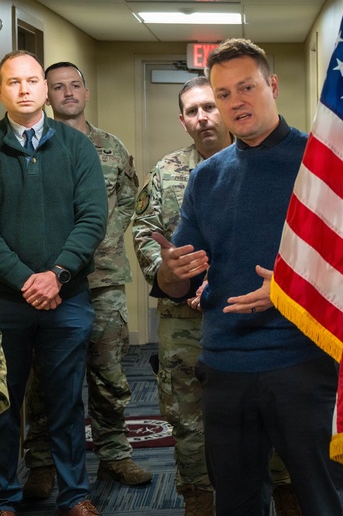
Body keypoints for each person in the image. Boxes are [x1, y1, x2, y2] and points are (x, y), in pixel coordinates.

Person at [152, 39, 343, 516]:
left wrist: (286, 290)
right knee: (237, 502)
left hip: (302, 362)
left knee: (322, 501)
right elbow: (178, 282)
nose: (236, 102)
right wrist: (171, 272)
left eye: (247, 87)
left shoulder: (322, 163)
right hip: (225, 366)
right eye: (223, 94)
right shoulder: (206, 177)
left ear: (272, 86)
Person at [131, 76, 299, 516]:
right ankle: (198, 499)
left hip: (251, 319)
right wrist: (171, 273)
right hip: (184, 324)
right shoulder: (167, 172)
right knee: (187, 419)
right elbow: (146, 233)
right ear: (183, 121)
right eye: (193, 111)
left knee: (271, 418)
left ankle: (286, 492)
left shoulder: (269, 162)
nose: (203, 117)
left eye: (210, 106)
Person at [20, 62, 150, 500]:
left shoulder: (110, 146)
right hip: (50, 283)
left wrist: (104, 238)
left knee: (108, 373)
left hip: (104, 279)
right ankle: (41, 463)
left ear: (86, 92)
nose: (68, 93)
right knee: (46, 378)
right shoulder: (36, 147)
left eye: (75, 85)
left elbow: (129, 198)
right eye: (58, 87)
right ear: (46, 94)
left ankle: (115, 453)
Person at [0, 50, 107, 516]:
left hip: (68, 297)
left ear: (45, 89)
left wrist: (56, 275)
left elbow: (93, 218)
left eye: (31, 81)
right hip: (6, 301)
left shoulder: (76, 146)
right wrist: (26, 280)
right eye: (13, 82)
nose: (24, 89)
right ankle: (4, 496)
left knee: (66, 402)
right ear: (2, 91)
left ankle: (75, 495)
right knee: (4, 403)